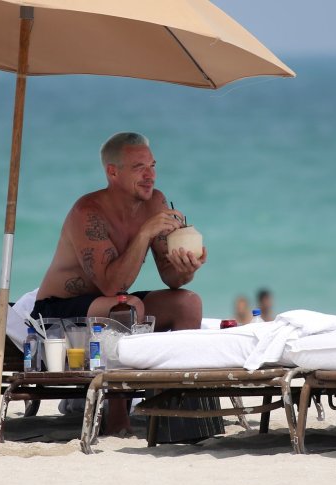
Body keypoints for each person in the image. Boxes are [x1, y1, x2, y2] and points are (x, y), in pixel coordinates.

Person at [32, 132, 209, 435]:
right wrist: (144, 233)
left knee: (187, 302)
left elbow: (171, 277)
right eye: (139, 167)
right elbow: (111, 286)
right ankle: (117, 419)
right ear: (112, 172)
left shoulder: (155, 202)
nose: (150, 175)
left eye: (152, 166)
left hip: (113, 305)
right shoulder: (88, 212)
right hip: (55, 314)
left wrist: (187, 268)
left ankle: (175, 410)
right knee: (127, 306)